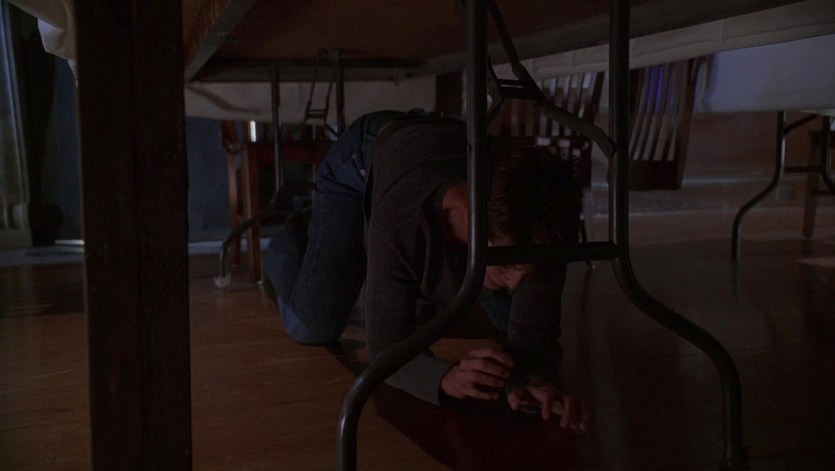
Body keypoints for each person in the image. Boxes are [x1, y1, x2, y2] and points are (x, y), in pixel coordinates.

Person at [263, 111, 588, 431]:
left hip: (438, 146)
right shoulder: (402, 215)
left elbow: (534, 337)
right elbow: (385, 350)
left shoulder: (539, 218)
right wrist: (445, 378)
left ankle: (338, 239)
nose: (515, 283)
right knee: (313, 324)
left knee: (509, 320)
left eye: (524, 270)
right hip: (361, 161)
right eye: (506, 265)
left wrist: (536, 380)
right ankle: (294, 240)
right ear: (470, 221)